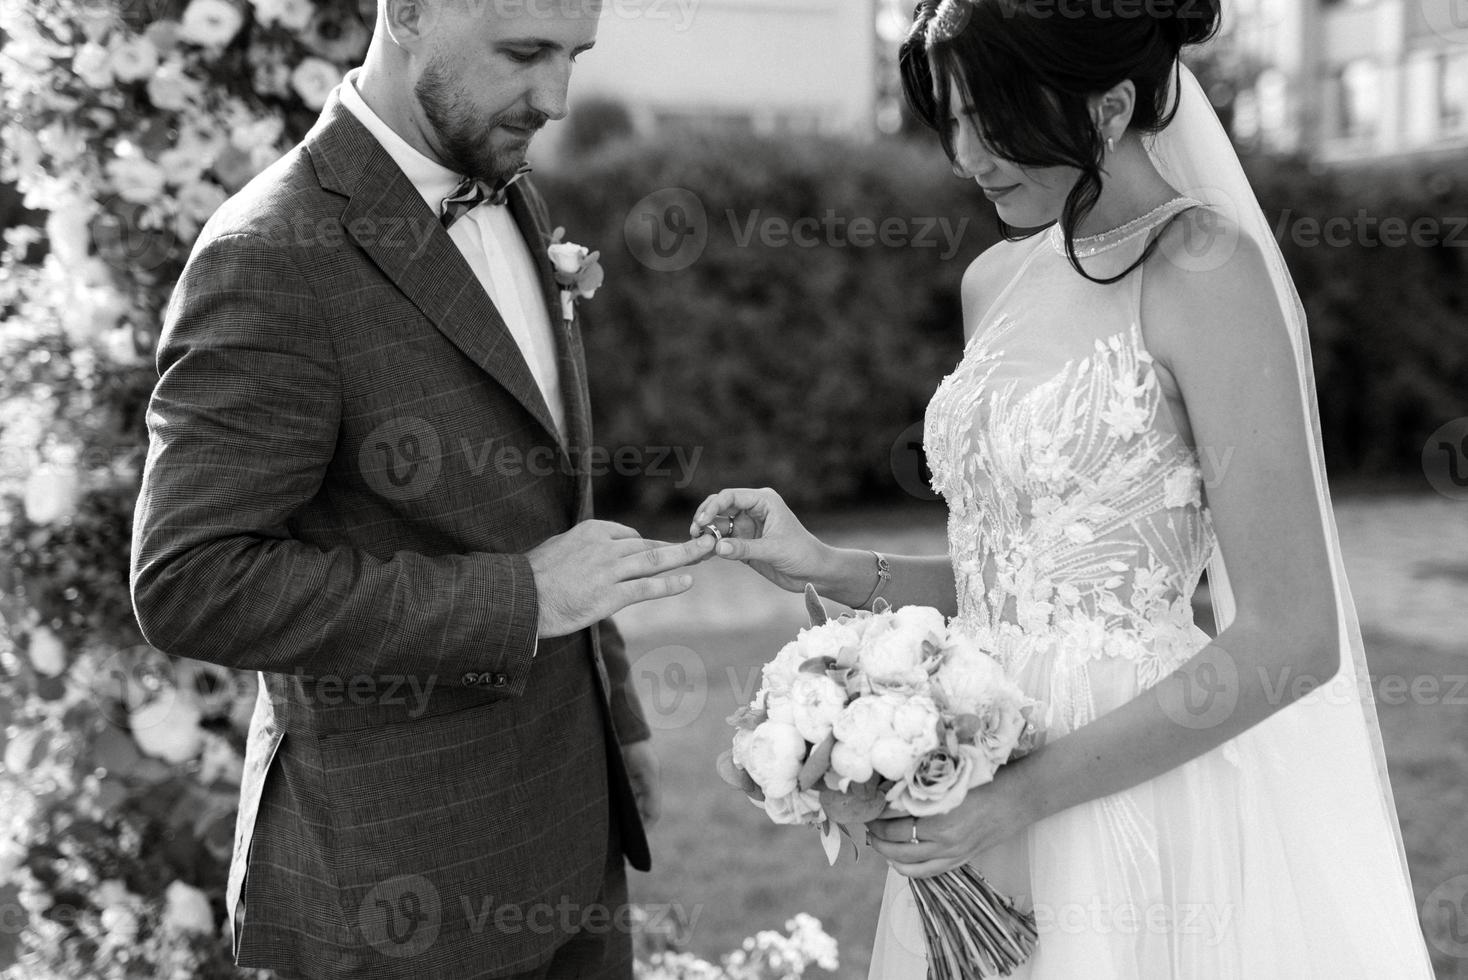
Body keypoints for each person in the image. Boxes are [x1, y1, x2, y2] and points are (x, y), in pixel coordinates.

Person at [690, 0, 1436, 975]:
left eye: (992, 121)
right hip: (979, 771)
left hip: (1129, 789)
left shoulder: (1203, 269)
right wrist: (827, 564)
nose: (966, 155)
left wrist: (1020, 797)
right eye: (950, 119)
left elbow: (1290, 637)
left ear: (1111, 105)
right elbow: (1019, 579)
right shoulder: (993, 281)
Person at [129, 0, 712, 976]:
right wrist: (518, 597)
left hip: (571, 837)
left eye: (573, 56)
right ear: (407, 13)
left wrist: (619, 720)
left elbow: (540, 496)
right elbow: (192, 578)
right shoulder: (270, 255)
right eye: (524, 53)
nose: (556, 98)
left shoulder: (508, 188)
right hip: (399, 899)